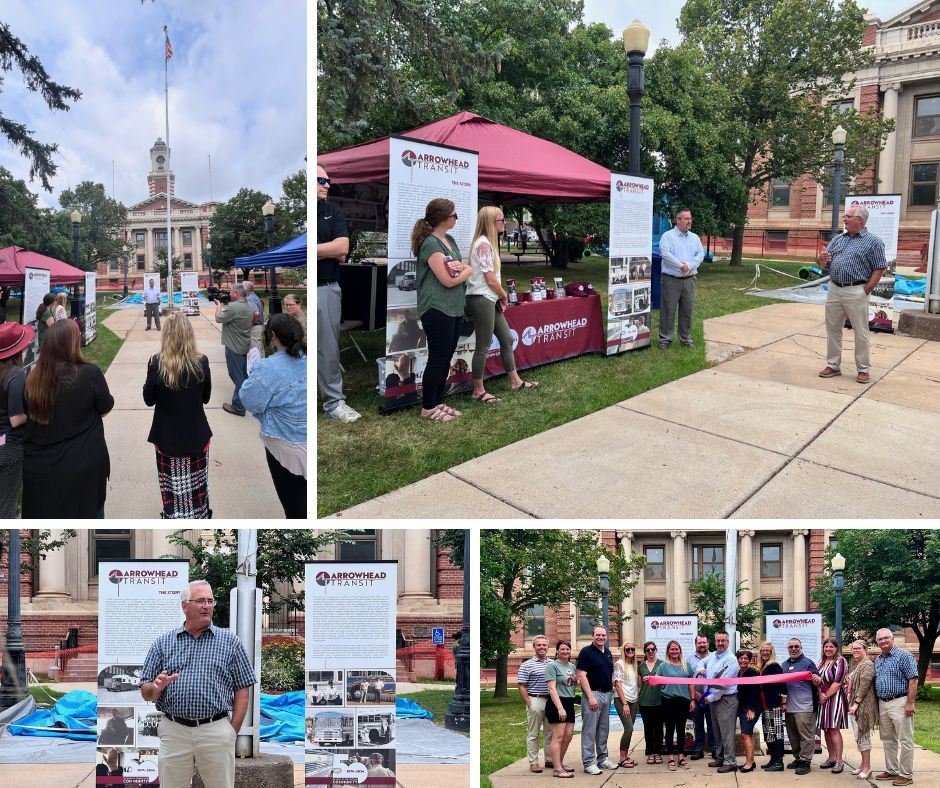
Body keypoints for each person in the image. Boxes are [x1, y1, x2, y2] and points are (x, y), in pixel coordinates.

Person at [140, 580, 256, 788]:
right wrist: (156, 688)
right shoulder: (162, 643)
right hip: (174, 730)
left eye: (210, 601)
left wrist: (232, 731)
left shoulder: (230, 642)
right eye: (200, 601)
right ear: (185, 606)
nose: (207, 606)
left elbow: (243, 688)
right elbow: (146, 692)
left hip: (216, 730)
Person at [22, 319, 113, 518]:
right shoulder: (90, 374)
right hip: (83, 475)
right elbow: (105, 408)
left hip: (41, 473)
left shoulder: (31, 381)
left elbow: (27, 415)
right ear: (72, 343)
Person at [142, 312, 212, 519]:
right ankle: (198, 516)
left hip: (167, 438)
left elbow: (149, 399)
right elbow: (206, 397)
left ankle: (173, 516)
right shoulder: (201, 362)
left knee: (171, 487)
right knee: (197, 487)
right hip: (195, 435)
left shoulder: (156, 363)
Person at [465, 205, 537, 403]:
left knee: (506, 339)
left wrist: (498, 296)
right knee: (483, 345)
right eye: (500, 220)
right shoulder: (484, 244)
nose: (504, 223)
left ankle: (515, 381)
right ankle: (478, 390)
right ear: (490, 222)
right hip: (482, 298)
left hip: (488, 298)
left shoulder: (486, 242)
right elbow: (490, 279)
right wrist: (504, 295)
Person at [411, 197, 472, 422]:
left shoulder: (449, 240)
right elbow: (448, 279)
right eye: (455, 215)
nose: (457, 218)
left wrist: (462, 269)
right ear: (444, 218)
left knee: (446, 356)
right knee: (438, 358)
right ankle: (428, 407)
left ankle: (437, 401)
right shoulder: (431, 244)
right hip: (437, 308)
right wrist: (467, 271)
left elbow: (459, 267)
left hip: (454, 307)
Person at [240, 314, 307, 519]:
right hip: (305, 440)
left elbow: (249, 399)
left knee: (295, 507)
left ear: (274, 336)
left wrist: (253, 371)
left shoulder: (268, 368)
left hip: (284, 446)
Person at [816, 204, 888, 384]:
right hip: (834, 288)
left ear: (859, 220)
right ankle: (833, 365)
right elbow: (822, 263)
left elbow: (879, 268)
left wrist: (865, 291)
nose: (844, 219)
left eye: (848, 216)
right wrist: (820, 260)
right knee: (832, 328)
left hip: (856, 290)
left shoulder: (874, 242)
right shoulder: (838, 239)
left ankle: (863, 369)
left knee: (860, 331)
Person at [316, 164, 361, 423]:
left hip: (327, 288)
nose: (327, 184)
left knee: (328, 348)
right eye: (321, 180)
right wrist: (325, 249)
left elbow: (343, 247)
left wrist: (312, 248)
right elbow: (333, 249)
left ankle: (333, 403)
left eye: (328, 180)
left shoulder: (332, 212)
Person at [873, 627, 918, 786]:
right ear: (877, 642)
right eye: (880, 639)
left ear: (892, 639)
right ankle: (891, 770)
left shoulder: (904, 656)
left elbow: (913, 680)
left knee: (905, 739)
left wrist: (910, 703)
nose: (883, 641)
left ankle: (906, 774)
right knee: (887, 739)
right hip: (883, 703)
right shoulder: (878, 659)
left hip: (900, 701)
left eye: (886, 638)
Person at [657, 207, 704, 349]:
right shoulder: (667, 236)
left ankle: (685, 339)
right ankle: (665, 339)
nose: (689, 221)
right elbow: (665, 253)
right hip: (672, 279)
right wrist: (680, 265)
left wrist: (689, 265)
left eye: (690, 218)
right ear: (678, 220)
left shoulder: (695, 238)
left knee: (687, 311)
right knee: (668, 310)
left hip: (689, 280)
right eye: (686, 218)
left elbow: (700, 254)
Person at [0, 323, 33, 518]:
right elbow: (16, 419)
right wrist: (35, 416)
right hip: (10, 449)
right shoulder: (16, 375)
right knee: (6, 505)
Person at [576, 625, 617, 774]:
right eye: (598, 635)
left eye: (603, 635)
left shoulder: (608, 652)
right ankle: (588, 763)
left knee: (603, 729)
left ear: (606, 637)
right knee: (589, 730)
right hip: (593, 695)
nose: (601, 638)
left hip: (607, 695)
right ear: (593, 636)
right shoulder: (586, 652)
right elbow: (581, 675)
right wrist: (591, 697)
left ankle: (603, 759)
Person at [697, 630, 739, 773]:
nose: (720, 643)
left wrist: (710, 698)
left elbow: (724, 684)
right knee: (717, 732)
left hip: (726, 699)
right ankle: (721, 758)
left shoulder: (731, 659)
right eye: (718, 641)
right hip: (715, 700)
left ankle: (730, 761)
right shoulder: (713, 656)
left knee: (727, 732)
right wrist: (701, 668)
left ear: (728, 642)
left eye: (723, 641)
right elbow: (701, 662)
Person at [214, 283, 257, 417]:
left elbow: (218, 318)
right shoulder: (248, 305)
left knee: (237, 377)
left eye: (231, 292)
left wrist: (219, 305)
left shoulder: (233, 307)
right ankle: (244, 400)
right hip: (243, 344)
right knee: (243, 375)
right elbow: (254, 317)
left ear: (237, 294)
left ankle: (238, 407)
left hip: (234, 347)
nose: (229, 294)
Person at [779, 637, 819, 775]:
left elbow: (817, 680)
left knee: (806, 736)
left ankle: (805, 761)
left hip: (805, 707)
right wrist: (783, 703)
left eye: (796, 646)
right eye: (791, 647)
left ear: (801, 648)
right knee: (793, 736)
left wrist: (817, 680)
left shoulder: (808, 663)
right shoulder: (784, 665)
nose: (794, 649)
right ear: (788, 649)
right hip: (790, 707)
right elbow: (783, 687)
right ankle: (798, 758)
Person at [656, 640, 697, 771]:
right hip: (668, 701)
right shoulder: (663, 666)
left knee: (681, 730)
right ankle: (671, 758)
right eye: (672, 649)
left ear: (680, 650)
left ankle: (681, 757)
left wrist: (693, 699)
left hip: (683, 701)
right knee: (669, 730)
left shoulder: (686, 665)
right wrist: (649, 679)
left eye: (676, 649)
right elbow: (656, 679)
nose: (674, 651)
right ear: (668, 651)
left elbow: (691, 684)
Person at [517, 635, 554, 773]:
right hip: (535, 700)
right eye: (539, 645)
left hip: (550, 701)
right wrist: (529, 703)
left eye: (544, 645)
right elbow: (521, 685)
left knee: (550, 732)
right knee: (533, 733)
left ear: (548, 647)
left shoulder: (552, 664)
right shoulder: (527, 665)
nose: (542, 647)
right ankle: (533, 762)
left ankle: (549, 760)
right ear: (534, 647)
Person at [813, 636, 848, 774]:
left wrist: (825, 696)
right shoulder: (821, 662)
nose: (828, 649)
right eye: (826, 646)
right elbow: (817, 680)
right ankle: (831, 757)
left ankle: (839, 760)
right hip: (822, 697)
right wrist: (819, 691)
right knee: (826, 729)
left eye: (831, 647)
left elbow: (838, 682)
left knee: (833, 728)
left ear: (836, 648)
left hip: (835, 697)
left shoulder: (840, 661)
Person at [545, 639, 577, 778]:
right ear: (557, 651)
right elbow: (551, 688)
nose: (565, 651)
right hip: (557, 703)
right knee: (558, 736)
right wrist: (560, 708)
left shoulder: (572, 666)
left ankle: (561, 763)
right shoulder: (552, 666)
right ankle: (557, 768)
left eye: (567, 649)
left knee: (568, 735)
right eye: (562, 649)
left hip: (569, 702)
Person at [846, 639, 877, 781]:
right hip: (854, 706)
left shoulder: (868, 664)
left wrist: (856, 704)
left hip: (863, 707)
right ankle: (863, 764)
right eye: (853, 648)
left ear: (865, 649)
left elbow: (864, 686)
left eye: (858, 648)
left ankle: (867, 767)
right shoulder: (857, 665)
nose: (855, 650)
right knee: (858, 737)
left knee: (863, 737)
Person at [756, 641, 786, 772]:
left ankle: (779, 762)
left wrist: (784, 703)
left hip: (774, 705)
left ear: (772, 652)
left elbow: (783, 685)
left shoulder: (774, 666)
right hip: (765, 706)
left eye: (768, 650)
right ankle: (773, 759)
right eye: (763, 650)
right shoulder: (763, 667)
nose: (765, 653)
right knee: (769, 734)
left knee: (777, 734)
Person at [687, 634, 717, 761]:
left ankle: (714, 749)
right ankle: (698, 749)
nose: (702, 645)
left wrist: (711, 695)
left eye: (704, 643)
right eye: (699, 643)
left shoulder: (714, 657)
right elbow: (689, 679)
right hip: (697, 698)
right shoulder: (689, 659)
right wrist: (695, 697)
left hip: (712, 698)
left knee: (712, 725)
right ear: (696, 644)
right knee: (697, 724)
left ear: (708, 644)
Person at [612, 641, 639, 769]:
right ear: (623, 651)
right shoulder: (619, 664)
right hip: (623, 701)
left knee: (629, 729)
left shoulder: (634, 665)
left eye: (632, 649)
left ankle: (626, 756)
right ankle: (622, 758)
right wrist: (625, 704)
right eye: (627, 649)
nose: (630, 651)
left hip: (634, 701)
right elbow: (617, 684)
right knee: (629, 728)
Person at [637, 640, 664, 766]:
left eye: (653, 649)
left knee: (658, 727)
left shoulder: (662, 664)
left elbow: (665, 682)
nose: (651, 651)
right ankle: (650, 752)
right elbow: (639, 686)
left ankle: (658, 752)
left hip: (659, 701)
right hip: (645, 701)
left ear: (656, 650)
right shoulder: (641, 666)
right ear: (645, 652)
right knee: (648, 728)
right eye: (648, 650)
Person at [735, 650, 759, 773]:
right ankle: (751, 761)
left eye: (746, 658)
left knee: (745, 734)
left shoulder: (752, 672)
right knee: (749, 734)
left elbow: (755, 692)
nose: (743, 660)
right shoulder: (739, 672)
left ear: (749, 660)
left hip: (751, 707)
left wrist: (751, 709)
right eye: (741, 658)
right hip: (743, 706)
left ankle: (749, 764)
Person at [242, 280, 265, 352]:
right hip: (259, 326)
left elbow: (256, 313)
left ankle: (257, 363)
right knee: (259, 349)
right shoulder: (254, 296)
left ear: (245, 289)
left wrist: (251, 323)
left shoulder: (250, 299)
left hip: (255, 327)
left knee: (254, 350)